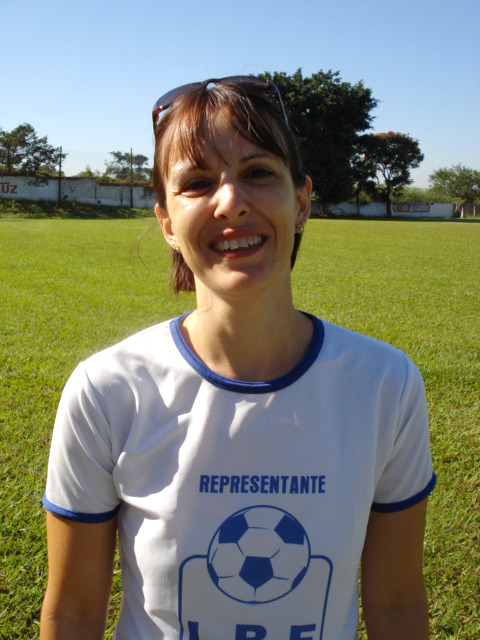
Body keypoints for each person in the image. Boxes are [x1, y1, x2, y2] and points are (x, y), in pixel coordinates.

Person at [40, 76, 436, 640]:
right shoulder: (106, 391)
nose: (231, 202)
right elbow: (72, 615)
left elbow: (397, 604)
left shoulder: (384, 384)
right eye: (198, 183)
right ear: (166, 223)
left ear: (301, 203)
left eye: (258, 173)